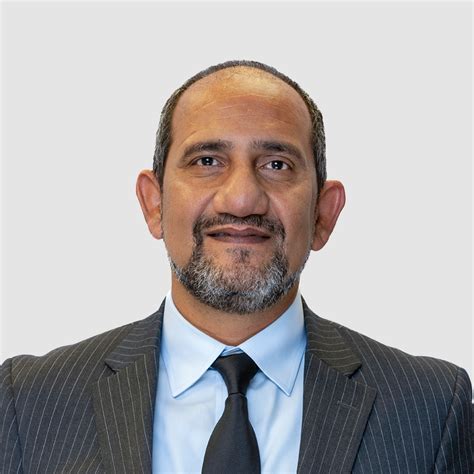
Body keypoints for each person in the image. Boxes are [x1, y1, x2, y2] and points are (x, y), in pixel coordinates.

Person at [0, 60, 471, 473]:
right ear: (154, 204)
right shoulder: (30, 402)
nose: (242, 199)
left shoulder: (431, 408)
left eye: (276, 165)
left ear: (323, 214)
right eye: (207, 161)